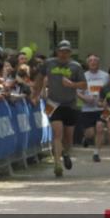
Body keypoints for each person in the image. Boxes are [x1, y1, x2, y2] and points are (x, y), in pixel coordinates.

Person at [34, 40, 87, 177]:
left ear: (70, 53)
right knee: (57, 133)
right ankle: (57, 164)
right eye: (61, 51)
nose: (64, 54)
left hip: (70, 105)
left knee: (68, 138)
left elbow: (84, 85)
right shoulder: (48, 63)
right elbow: (39, 78)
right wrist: (36, 94)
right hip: (53, 104)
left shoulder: (76, 66)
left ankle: (65, 153)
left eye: (67, 52)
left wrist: (72, 84)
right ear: (57, 52)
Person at [78, 54, 110, 163]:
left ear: (98, 62)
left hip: (102, 109)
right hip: (87, 109)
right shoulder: (83, 76)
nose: (93, 62)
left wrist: (105, 101)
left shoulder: (105, 76)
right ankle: (86, 138)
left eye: (95, 60)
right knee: (90, 133)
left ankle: (96, 153)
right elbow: (77, 92)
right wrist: (85, 98)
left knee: (100, 128)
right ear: (88, 63)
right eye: (90, 60)